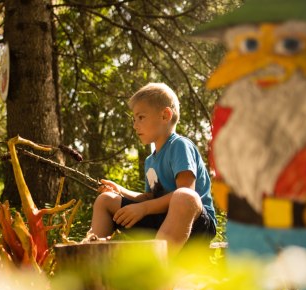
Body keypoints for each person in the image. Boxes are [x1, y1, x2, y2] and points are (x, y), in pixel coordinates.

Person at [88, 83, 216, 253]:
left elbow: (186, 191)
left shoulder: (179, 146)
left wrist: (144, 208)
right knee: (106, 200)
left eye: (141, 117)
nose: (135, 125)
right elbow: (149, 198)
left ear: (165, 116)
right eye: (134, 119)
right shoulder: (150, 161)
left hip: (195, 224)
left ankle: (157, 267)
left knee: (184, 196)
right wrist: (121, 191)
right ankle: (89, 263)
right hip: (162, 222)